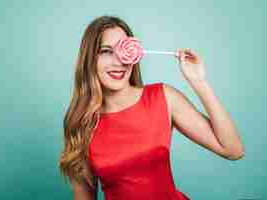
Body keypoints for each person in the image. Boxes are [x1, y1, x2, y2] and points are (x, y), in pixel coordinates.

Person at [59, 15, 245, 200]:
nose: (119, 62)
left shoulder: (162, 97)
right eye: (106, 51)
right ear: (89, 59)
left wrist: (199, 81)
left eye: (123, 50)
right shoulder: (80, 122)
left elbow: (232, 150)